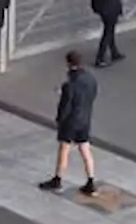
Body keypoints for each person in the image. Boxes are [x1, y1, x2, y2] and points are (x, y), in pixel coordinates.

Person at [39, 50, 99, 196]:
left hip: (71, 122)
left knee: (64, 149)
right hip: (85, 118)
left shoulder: (69, 84)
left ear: (68, 63)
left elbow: (65, 107)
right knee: (85, 148)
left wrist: (59, 120)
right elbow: (92, 95)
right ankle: (91, 181)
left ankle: (57, 179)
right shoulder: (91, 78)